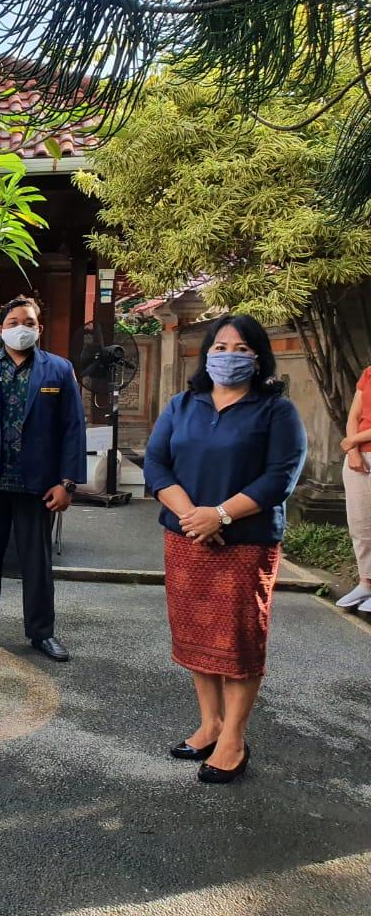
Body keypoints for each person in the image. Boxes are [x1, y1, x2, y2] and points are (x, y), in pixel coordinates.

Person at [144, 313, 306, 784]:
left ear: (258, 358)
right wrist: (194, 516)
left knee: (237, 640)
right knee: (196, 635)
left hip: (245, 544)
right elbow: (156, 463)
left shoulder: (276, 411)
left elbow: (280, 476)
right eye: (220, 347)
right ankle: (210, 723)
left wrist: (221, 515)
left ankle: (233, 737)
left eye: (241, 349)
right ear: (206, 353)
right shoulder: (182, 404)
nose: (228, 356)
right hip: (186, 539)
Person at [0, 297, 86, 662]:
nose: (20, 328)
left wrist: (67, 483)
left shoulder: (58, 369)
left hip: (38, 484)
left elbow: (73, 427)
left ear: (39, 328)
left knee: (36, 563)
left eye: (28, 322)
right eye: (13, 322)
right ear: (0, 329)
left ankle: (41, 633)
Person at [336, 364, 371, 613]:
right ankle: (366, 582)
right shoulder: (369, 373)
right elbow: (353, 416)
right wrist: (353, 451)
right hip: (358, 458)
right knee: (360, 525)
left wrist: (352, 440)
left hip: (357, 445)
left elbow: (352, 433)